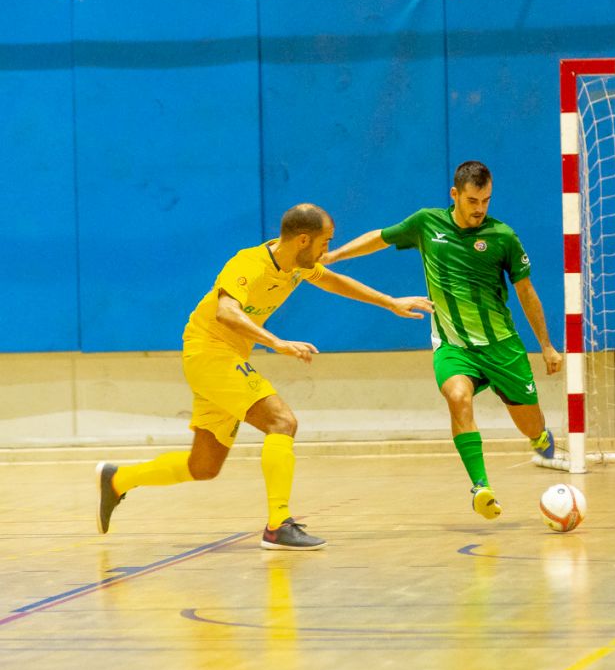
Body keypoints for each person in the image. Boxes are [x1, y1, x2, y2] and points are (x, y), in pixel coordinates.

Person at [96, 203, 432, 549]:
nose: (327, 250)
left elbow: (333, 282)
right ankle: (277, 525)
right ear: (304, 240)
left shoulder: (296, 265)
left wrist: (390, 301)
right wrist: (276, 342)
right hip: (209, 352)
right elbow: (227, 312)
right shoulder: (248, 265)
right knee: (281, 421)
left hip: (223, 358)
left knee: (204, 466)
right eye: (325, 242)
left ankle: (118, 479)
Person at [319, 161, 563, 520]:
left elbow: (526, 292)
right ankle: (481, 487)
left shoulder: (503, 237)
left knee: (529, 425)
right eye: (472, 200)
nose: (480, 209)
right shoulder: (426, 224)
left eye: (486, 200)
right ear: (455, 195)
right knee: (457, 396)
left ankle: (540, 436)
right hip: (453, 346)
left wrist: (546, 345)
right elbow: (380, 237)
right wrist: (336, 255)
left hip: (502, 347)